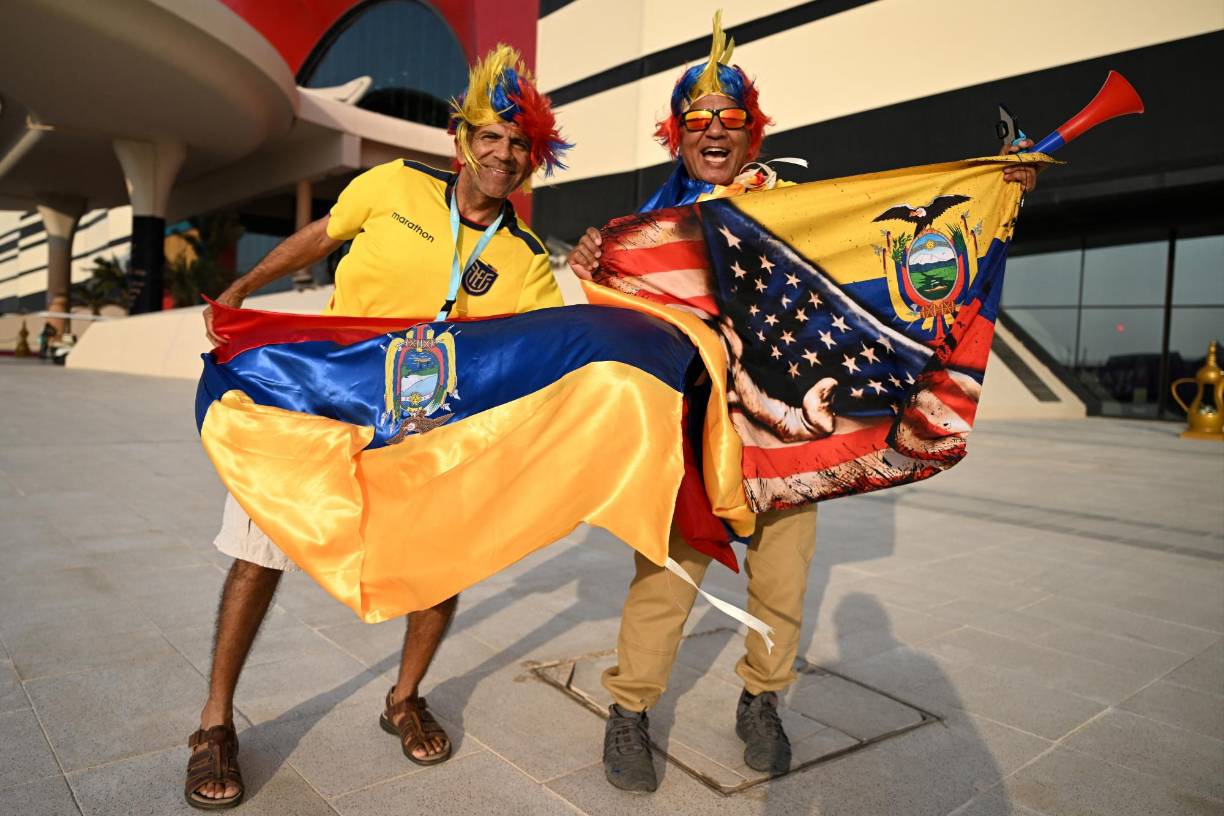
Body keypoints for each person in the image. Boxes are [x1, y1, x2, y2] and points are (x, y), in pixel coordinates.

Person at [568, 14, 1037, 793]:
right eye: (697, 123)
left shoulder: (799, 202)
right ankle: (631, 710)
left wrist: (993, 188)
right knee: (664, 577)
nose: (714, 132)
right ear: (675, 137)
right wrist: (594, 260)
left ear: (754, 135)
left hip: (785, 436)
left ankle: (761, 698)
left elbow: (892, 215)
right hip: (688, 438)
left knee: (783, 582)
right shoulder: (648, 222)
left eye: (731, 121)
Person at [185, 45, 570, 810]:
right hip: (326, 406)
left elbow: (548, 352)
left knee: (441, 567)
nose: (502, 153)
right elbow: (323, 235)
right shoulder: (394, 185)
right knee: (258, 553)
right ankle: (214, 724)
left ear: (533, 159)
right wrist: (242, 285)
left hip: (431, 435)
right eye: (490, 135)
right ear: (463, 139)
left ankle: (403, 698)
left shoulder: (527, 260)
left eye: (518, 143)